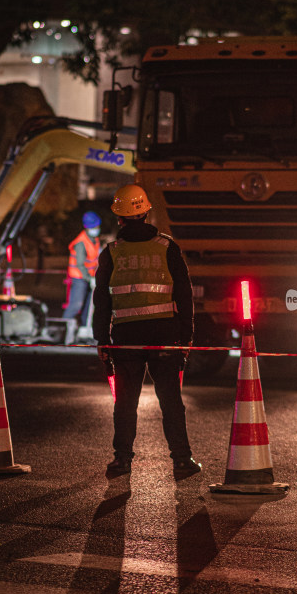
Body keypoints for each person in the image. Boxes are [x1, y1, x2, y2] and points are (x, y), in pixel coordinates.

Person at [93, 185, 201, 478]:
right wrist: (186, 336)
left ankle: (122, 460)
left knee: (126, 402)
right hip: (165, 336)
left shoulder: (112, 252)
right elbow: (184, 295)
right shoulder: (167, 247)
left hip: (126, 338)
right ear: (146, 212)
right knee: (171, 400)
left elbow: (101, 300)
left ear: (119, 217)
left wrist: (101, 340)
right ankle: (181, 460)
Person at [62, 211, 101, 339]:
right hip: (79, 278)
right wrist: (89, 278)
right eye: (94, 227)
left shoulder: (94, 239)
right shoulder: (81, 243)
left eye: (97, 226)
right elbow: (80, 264)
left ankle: (84, 329)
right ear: (87, 227)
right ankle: (64, 331)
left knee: (89, 305)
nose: (96, 229)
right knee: (76, 304)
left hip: (90, 277)